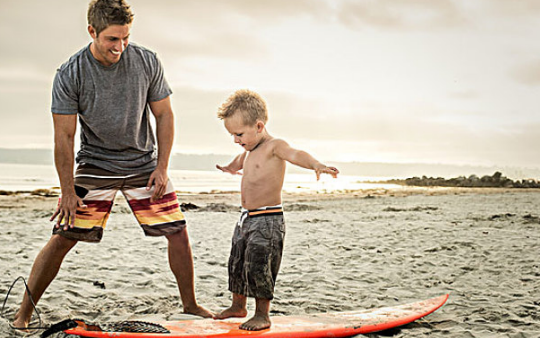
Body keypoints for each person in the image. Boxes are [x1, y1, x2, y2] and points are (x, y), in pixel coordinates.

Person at [12, 0, 212, 329]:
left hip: (142, 164)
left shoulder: (147, 61)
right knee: (63, 235)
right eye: (112, 40)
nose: (120, 47)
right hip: (96, 164)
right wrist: (66, 190)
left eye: (126, 38)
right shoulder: (70, 73)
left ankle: (190, 304)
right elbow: (64, 137)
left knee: (177, 231)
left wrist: (162, 167)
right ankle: (24, 315)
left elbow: (164, 115)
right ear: (92, 31)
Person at [214, 89, 339, 331]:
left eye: (239, 134)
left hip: (268, 220)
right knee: (238, 262)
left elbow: (295, 154)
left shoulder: (275, 146)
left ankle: (262, 315)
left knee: (261, 265)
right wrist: (229, 167)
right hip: (246, 219)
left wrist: (317, 165)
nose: (236, 140)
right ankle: (238, 306)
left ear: (259, 126)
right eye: (232, 135)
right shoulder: (248, 151)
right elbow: (238, 161)